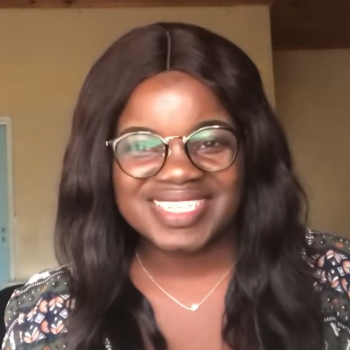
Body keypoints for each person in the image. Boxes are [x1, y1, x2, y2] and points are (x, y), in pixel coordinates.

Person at [1, 22, 349, 350]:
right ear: (102, 165)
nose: (179, 171)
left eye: (210, 141)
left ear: (251, 151)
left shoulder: (339, 277)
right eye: (141, 145)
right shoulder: (44, 310)